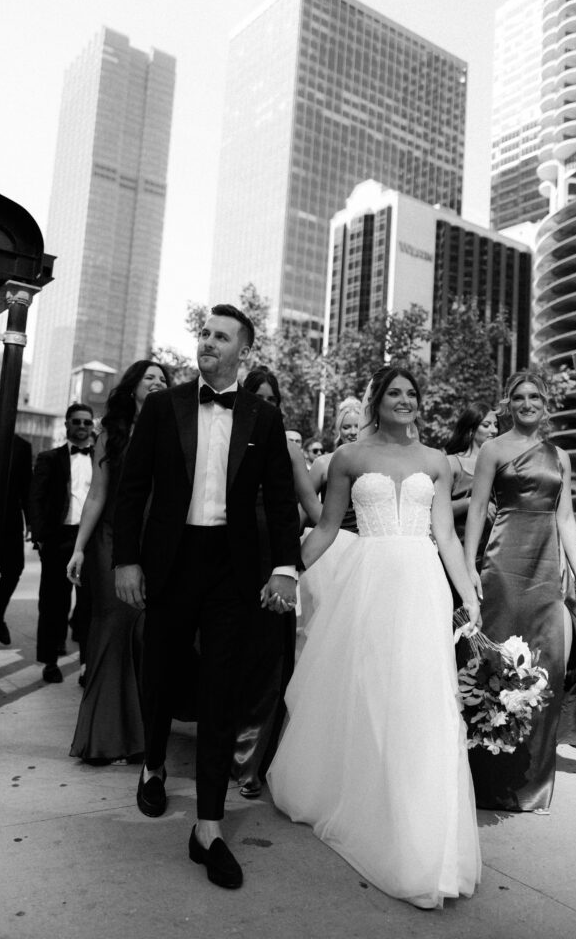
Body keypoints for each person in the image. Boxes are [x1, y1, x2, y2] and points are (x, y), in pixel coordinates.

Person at [267, 366, 482, 910]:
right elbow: (326, 526)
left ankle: (422, 829)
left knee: (422, 703)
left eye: (413, 393)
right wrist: (288, 571)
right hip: (368, 584)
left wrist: (468, 595)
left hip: (421, 586)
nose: (405, 400)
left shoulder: (437, 462)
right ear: (377, 400)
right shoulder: (349, 458)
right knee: (370, 693)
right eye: (395, 393)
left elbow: (447, 537)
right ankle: (368, 803)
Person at [113, 303, 300, 891]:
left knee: (221, 690)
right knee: (161, 671)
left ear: (243, 348)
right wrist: (127, 559)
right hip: (171, 560)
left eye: (221, 336)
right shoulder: (166, 407)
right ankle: (152, 764)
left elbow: (277, 498)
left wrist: (283, 569)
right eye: (203, 333)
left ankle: (209, 829)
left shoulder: (262, 417)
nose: (207, 342)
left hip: (232, 569)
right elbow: (132, 486)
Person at [464, 370, 576, 813]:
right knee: (496, 662)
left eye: (536, 397)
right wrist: (469, 567)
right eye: (519, 397)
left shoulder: (560, 456)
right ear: (508, 402)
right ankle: (487, 776)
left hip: (545, 570)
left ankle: (530, 783)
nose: (528, 403)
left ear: (546, 404)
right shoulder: (492, 449)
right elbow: (475, 511)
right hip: (503, 565)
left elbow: (566, 519)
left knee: (545, 664)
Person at [66, 361, 171, 763]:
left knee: (145, 632)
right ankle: (103, 738)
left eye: (163, 379)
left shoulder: (173, 427)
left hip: (155, 541)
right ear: (133, 387)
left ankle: (139, 734)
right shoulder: (113, 431)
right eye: (150, 378)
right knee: (114, 624)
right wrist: (79, 547)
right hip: (111, 539)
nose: (158, 383)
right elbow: (97, 492)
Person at [231, 366, 322, 799]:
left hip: (275, 564)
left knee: (269, 664)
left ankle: (250, 764)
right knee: (231, 657)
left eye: (272, 398)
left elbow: (311, 505)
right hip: (228, 557)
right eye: (257, 395)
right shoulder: (223, 439)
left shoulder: (288, 448)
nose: (265, 404)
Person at [29, 403, 95, 684]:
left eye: (87, 422)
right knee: (53, 603)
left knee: (89, 606)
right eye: (77, 422)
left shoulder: (103, 459)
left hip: (90, 539)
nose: (82, 427)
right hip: (58, 539)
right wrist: (41, 538)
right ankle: (50, 662)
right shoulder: (49, 458)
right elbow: (37, 499)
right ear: (67, 425)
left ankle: (85, 665)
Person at [299, 397, 361, 627]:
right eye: (346, 427)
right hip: (331, 547)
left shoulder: (375, 463)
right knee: (326, 617)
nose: (352, 432)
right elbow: (304, 502)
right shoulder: (323, 463)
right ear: (338, 430)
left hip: (365, 544)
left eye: (357, 426)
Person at [0, 434, 32, 646]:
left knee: (14, 567)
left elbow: (26, 486)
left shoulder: (21, 446)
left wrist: (31, 522)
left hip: (10, 518)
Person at [444, 403, 498, 548]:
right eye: (486, 425)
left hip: (494, 551)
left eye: (495, 425)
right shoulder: (453, 463)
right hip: (458, 550)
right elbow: (437, 511)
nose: (494, 430)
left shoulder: (500, 466)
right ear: (471, 429)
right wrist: (471, 502)